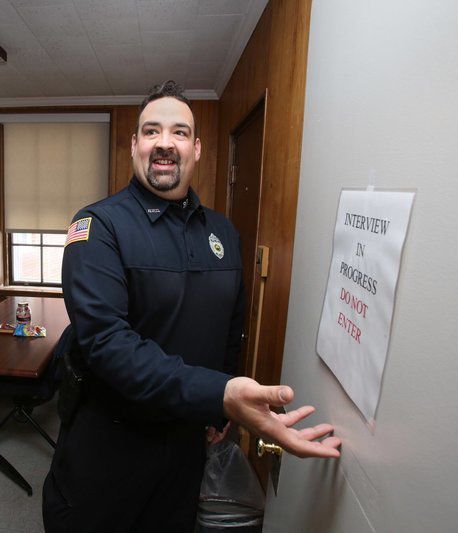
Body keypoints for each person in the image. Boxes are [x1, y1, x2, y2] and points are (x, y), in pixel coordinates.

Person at [42, 81, 341, 532]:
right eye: (151, 131)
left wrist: (218, 412)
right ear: (134, 146)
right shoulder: (97, 227)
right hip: (109, 442)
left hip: (185, 444)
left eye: (179, 132)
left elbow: (230, 328)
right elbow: (107, 344)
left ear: (197, 149)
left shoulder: (223, 232)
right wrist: (221, 395)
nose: (165, 143)